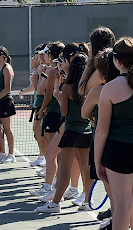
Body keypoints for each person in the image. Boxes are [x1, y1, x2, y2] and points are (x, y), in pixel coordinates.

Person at [94, 37, 133, 230]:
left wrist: (97, 160)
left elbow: (102, 129)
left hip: (118, 149)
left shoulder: (110, 88)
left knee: (122, 204)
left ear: (116, 61)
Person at [36, 54, 93, 213]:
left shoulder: (67, 88)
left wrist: (58, 95)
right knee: (86, 169)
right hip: (86, 131)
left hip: (71, 131)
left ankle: (55, 204)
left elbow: (65, 112)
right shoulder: (89, 87)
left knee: (64, 169)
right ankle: (88, 200)